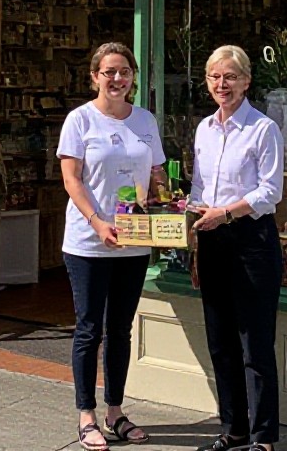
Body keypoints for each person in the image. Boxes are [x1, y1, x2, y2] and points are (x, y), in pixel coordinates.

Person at [57, 42, 167, 450]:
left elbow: (156, 172)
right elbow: (72, 180)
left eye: (124, 72)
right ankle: (86, 415)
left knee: (120, 329)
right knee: (89, 328)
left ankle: (115, 411)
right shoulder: (80, 120)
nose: (117, 79)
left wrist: (167, 205)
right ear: (95, 77)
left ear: (133, 77)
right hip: (89, 242)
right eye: (109, 72)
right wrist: (98, 222)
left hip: (133, 242)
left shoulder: (145, 120)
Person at [190, 45, 284, 451]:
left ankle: (263, 439)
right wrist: (195, 240)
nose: (221, 85)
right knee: (221, 343)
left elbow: (270, 192)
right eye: (214, 77)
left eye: (230, 77)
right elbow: (197, 189)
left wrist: (225, 214)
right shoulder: (203, 129)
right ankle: (233, 430)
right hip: (212, 240)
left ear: (246, 81)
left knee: (254, 344)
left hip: (252, 241)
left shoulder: (263, 129)